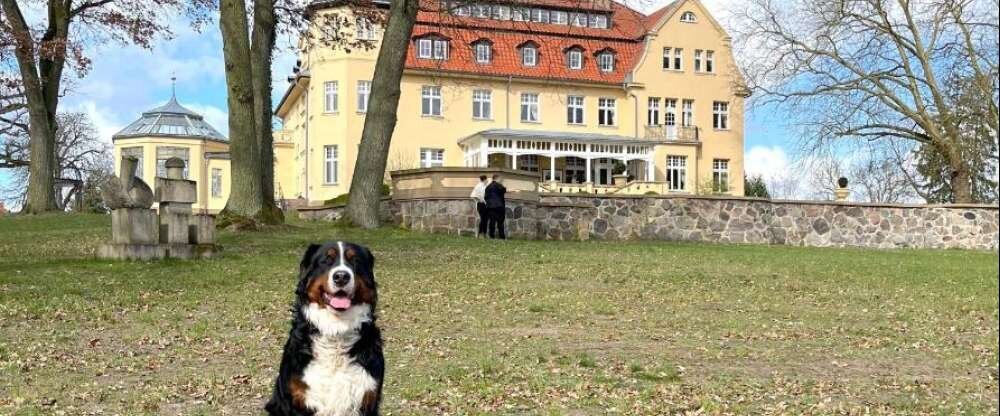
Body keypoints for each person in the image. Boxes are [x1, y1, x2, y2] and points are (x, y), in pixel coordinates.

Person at [484, 173, 507, 239]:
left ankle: (492, 236)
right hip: (499, 206)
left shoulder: (488, 187)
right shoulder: (499, 185)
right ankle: (502, 237)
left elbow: (485, 197)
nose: (502, 180)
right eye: (501, 179)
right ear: (497, 178)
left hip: (490, 207)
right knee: (500, 222)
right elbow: (503, 190)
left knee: (492, 222)